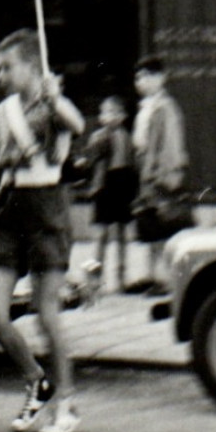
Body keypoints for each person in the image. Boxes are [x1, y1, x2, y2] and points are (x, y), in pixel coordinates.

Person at [0, 30, 87, 432]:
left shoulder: (54, 104)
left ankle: (67, 403)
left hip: (47, 210)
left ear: (32, 67)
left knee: (46, 310)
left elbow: (77, 123)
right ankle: (37, 380)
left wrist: (53, 97)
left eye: (8, 67)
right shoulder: (3, 112)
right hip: (9, 211)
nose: (0, 75)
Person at [128, 56, 188, 296]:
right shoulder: (148, 107)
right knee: (151, 227)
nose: (140, 82)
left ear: (160, 78)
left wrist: (160, 176)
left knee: (162, 228)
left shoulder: (165, 108)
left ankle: (164, 279)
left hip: (157, 175)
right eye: (138, 77)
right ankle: (153, 275)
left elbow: (169, 146)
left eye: (146, 76)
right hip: (146, 170)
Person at [75, 94, 137, 300]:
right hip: (105, 186)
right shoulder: (99, 136)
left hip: (121, 184)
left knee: (120, 234)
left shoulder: (127, 137)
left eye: (113, 112)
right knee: (101, 236)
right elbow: (90, 159)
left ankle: (121, 277)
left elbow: (132, 163)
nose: (108, 116)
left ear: (123, 116)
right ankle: (94, 280)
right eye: (105, 112)